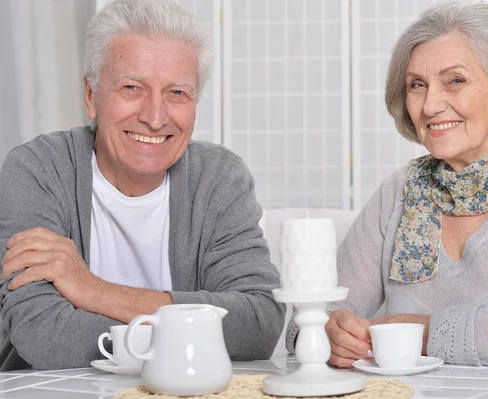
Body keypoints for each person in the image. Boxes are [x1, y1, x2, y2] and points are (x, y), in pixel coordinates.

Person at [286, 2, 488, 384]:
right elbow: (308, 322)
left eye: (455, 80)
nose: (431, 105)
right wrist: (329, 334)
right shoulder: (400, 191)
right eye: (417, 85)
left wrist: (404, 329)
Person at [0, 0, 284, 371]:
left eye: (177, 93)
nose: (154, 117)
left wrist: (91, 289)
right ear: (91, 96)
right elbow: (44, 337)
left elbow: (258, 325)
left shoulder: (220, 178)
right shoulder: (38, 170)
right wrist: (195, 331)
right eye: (132, 87)